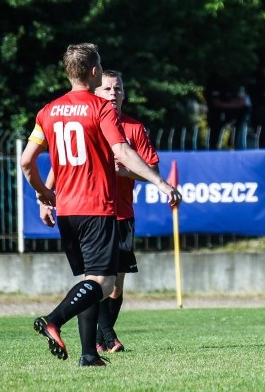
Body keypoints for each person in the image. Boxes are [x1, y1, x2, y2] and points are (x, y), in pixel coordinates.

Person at [21, 43, 182, 367]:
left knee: (89, 281)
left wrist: (43, 194)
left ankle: (89, 354)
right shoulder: (101, 109)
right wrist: (161, 183)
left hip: (67, 210)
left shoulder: (47, 111)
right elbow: (122, 153)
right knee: (103, 283)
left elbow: (27, 161)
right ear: (94, 71)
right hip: (97, 207)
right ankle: (53, 320)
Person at [40, 69, 160, 354]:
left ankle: (93, 344)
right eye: (107, 89)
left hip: (121, 214)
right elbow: (61, 164)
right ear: (96, 91)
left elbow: (150, 170)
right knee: (96, 282)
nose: (114, 94)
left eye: (118, 89)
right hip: (95, 212)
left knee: (113, 286)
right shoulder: (88, 120)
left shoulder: (134, 128)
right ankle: (100, 339)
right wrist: (45, 196)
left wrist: (126, 171)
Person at [205, 73, 249, 150]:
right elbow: (216, 103)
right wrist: (235, 105)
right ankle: (213, 149)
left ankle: (232, 142)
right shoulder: (214, 86)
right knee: (214, 135)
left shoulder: (227, 87)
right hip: (216, 115)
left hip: (225, 114)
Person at [246, 57, 265, 148]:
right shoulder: (264, 78)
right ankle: (263, 151)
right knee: (264, 134)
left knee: (255, 133)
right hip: (263, 110)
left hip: (253, 109)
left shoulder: (252, 77)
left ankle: (255, 149)